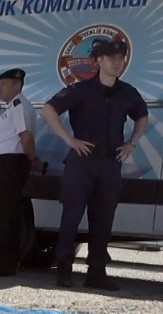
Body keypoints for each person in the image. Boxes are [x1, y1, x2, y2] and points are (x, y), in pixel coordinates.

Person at [41, 38, 148, 290]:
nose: (118, 62)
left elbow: (142, 116)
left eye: (121, 58)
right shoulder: (80, 89)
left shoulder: (127, 92)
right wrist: (69, 139)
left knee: (103, 220)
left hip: (110, 163)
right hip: (83, 162)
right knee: (71, 217)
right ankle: (64, 270)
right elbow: (48, 109)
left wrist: (133, 141)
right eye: (112, 58)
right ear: (99, 60)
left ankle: (96, 273)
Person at [0, 67, 39, 277]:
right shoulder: (13, 107)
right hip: (6, 164)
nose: (0, 88)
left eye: (4, 84)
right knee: (7, 214)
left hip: (10, 165)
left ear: (17, 84)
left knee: (7, 216)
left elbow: (26, 138)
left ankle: (4, 264)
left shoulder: (19, 106)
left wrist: (32, 160)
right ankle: (6, 261)